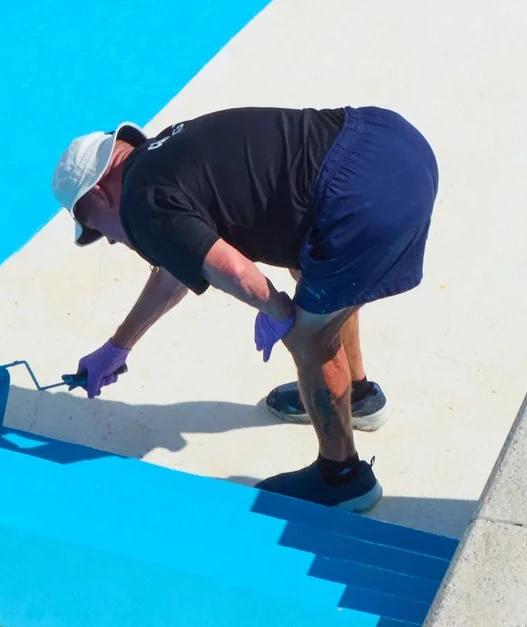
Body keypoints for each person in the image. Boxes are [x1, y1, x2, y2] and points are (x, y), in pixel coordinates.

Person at [50, 106, 437, 512]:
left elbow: (235, 272)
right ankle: (355, 396)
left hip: (362, 201)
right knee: (321, 274)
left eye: (91, 224)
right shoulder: (162, 153)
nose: (107, 240)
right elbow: (177, 264)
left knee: (308, 335)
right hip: (390, 141)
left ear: (97, 194)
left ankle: (342, 477)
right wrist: (118, 346)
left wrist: (279, 312)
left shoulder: (139, 205)